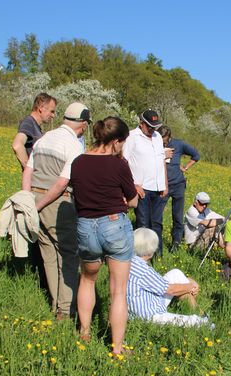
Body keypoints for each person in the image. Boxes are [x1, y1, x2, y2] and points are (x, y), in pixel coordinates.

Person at [70, 117, 138, 354]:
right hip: (114, 225)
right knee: (118, 290)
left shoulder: (78, 162)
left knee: (87, 280)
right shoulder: (119, 165)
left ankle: (85, 333)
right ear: (116, 141)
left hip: (85, 226)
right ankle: (117, 349)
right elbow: (133, 201)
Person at [22, 102, 91, 319]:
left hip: (33, 197)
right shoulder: (74, 146)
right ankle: (65, 309)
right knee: (68, 255)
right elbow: (62, 183)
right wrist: (40, 204)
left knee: (48, 254)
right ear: (83, 125)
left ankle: (54, 304)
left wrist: (28, 200)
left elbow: (28, 170)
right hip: (56, 202)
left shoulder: (44, 139)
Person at [127, 227, 213, 328]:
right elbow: (170, 289)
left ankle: (199, 311)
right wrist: (191, 286)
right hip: (150, 315)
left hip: (139, 306)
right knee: (195, 322)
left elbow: (159, 284)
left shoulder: (129, 261)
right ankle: (204, 320)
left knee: (175, 274)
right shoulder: (143, 270)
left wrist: (189, 283)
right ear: (150, 250)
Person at [122, 109, 167, 254]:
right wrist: (133, 185)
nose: (152, 129)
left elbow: (162, 160)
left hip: (158, 188)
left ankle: (157, 256)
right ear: (141, 123)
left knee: (157, 224)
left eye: (155, 127)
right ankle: (141, 257)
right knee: (143, 224)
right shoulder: (132, 136)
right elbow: (123, 162)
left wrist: (165, 184)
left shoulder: (158, 137)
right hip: (142, 189)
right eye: (149, 126)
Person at [158, 126, 200, 252]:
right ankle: (156, 241)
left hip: (178, 185)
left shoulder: (179, 144)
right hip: (162, 185)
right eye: (160, 140)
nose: (162, 142)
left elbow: (196, 155)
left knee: (177, 215)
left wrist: (186, 167)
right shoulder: (155, 144)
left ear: (169, 137)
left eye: (164, 140)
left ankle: (176, 243)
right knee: (157, 215)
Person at [11, 93, 57, 169]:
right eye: (51, 111)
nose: (53, 115)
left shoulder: (36, 126)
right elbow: (17, 145)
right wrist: (30, 171)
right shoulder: (28, 123)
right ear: (41, 108)